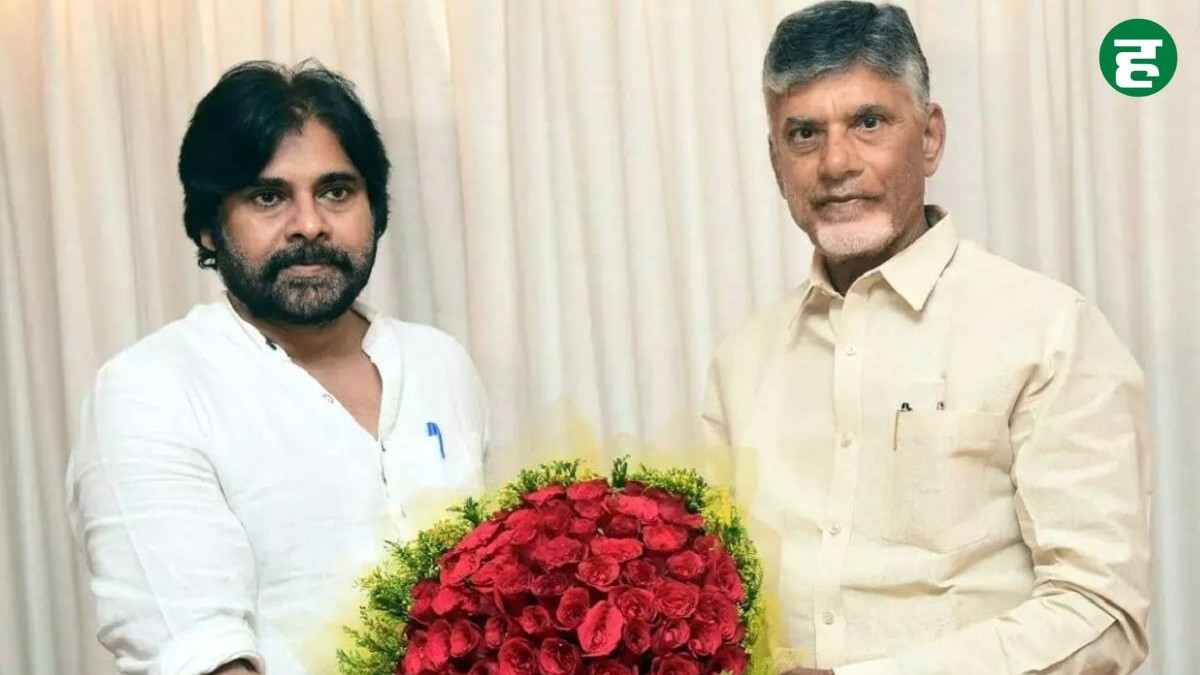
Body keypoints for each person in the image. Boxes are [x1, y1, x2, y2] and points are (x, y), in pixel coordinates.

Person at [702, 3, 1150, 674]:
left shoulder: (1048, 330)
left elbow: (1100, 611)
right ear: (775, 161)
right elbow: (713, 601)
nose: (835, 163)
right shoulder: (741, 362)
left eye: (868, 122)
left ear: (931, 137)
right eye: (804, 133)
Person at [67, 61, 489, 675]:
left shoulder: (439, 364)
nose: (309, 225)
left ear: (375, 208)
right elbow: (197, 651)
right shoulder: (150, 390)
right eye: (268, 197)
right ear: (208, 227)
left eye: (336, 192)